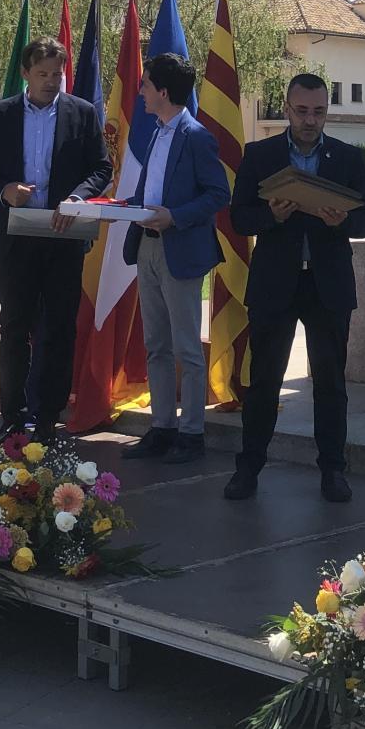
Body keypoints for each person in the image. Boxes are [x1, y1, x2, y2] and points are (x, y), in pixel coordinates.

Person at [226, 74, 365, 504]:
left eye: (319, 112)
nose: (311, 120)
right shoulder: (260, 155)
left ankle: (333, 471)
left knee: (330, 384)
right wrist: (272, 216)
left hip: (327, 285)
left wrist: (341, 222)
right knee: (264, 381)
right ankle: (248, 468)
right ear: (287, 109)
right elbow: (239, 218)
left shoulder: (346, 157)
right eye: (303, 111)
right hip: (276, 284)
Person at [0, 36, 112, 445]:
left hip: (64, 237)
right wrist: (5, 190)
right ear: (26, 74)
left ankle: (49, 416)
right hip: (16, 239)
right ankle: (12, 417)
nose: (51, 81)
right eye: (43, 73)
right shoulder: (1, 115)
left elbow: (101, 168)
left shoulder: (82, 113)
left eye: (57, 74)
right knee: (15, 328)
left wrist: (78, 198)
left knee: (60, 328)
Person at [121, 53, 231, 464]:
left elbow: (218, 194)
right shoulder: (156, 133)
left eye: (146, 85)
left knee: (187, 348)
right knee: (156, 345)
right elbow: (151, 191)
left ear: (163, 92)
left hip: (180, 249)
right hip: (147, 246)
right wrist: (116, 208)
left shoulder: (196, 137)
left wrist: (175, 217)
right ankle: (162, 427)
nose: (141, 92)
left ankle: (192, 434)